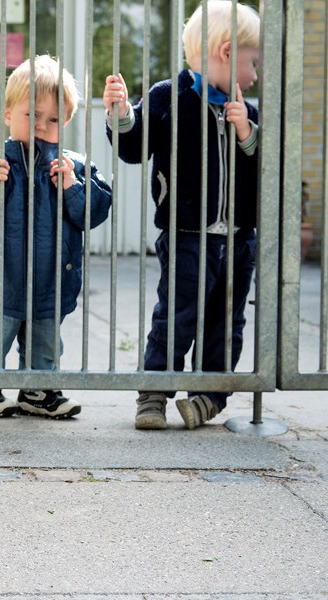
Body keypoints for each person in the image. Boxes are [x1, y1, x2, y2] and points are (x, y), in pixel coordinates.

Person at [103, 1, 260, 430]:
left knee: (226, 321)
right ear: (227, 52)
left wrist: (246, 132)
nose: (255, 75)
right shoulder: (166, 96)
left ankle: (209, 397)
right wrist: (121, 116)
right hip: (187, 233)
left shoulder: (246, 109)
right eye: (253, 62)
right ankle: (154, 393)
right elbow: (135, 149)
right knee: (177, 313)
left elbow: (263, 171)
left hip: (238, 238)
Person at [0, 55, 112, 419]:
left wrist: (73, 187)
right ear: (8, 114)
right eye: (31, 115)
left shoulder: (75, 167)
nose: (41, 125)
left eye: (53, 119)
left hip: (52, 276)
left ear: (66, 121)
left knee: (46, 339)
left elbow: (95, 212)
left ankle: (39, 388)